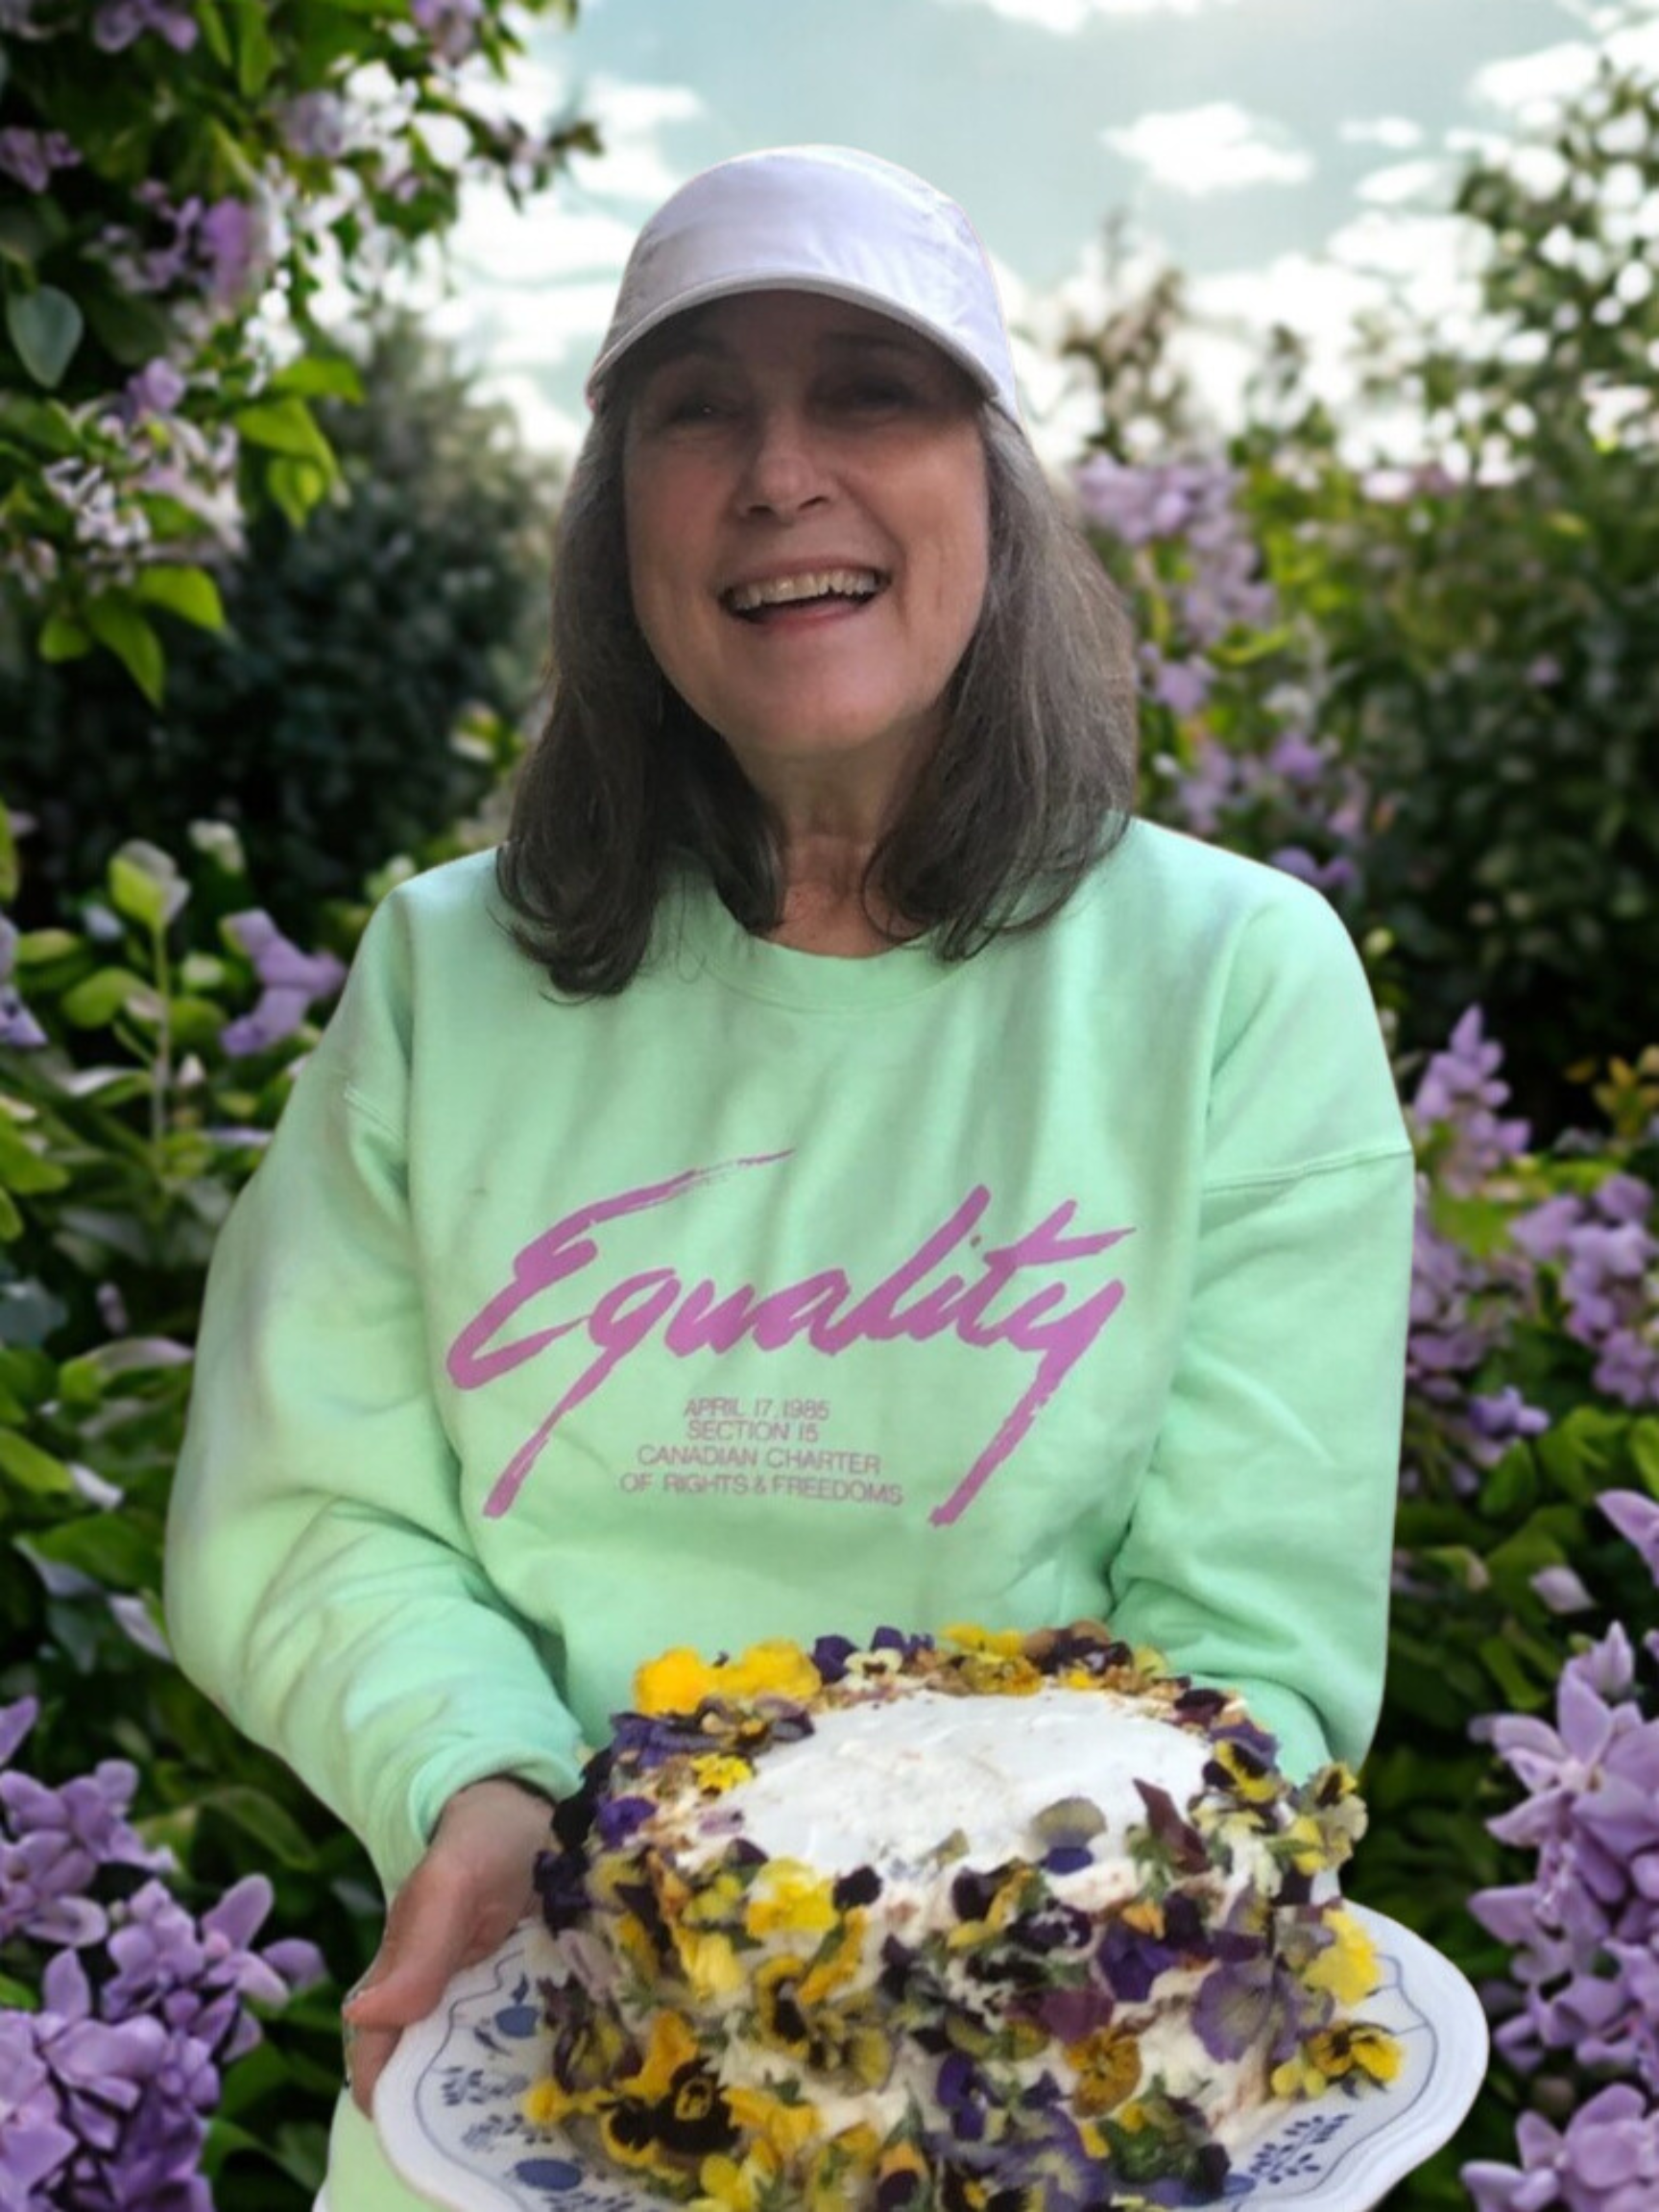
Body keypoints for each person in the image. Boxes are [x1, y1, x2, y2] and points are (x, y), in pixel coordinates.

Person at [163, 145, 1415, 2211]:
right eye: (698, 410)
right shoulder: (444, 976)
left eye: (871, 391)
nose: (778, 472)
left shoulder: (1228, 985)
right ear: (618, 519)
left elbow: (1242, 1661)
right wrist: (482, 1797)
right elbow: (311, 1519)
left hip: (1042, 2107)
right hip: (535, 2077)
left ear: (993, 489)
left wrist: (908, 1976)